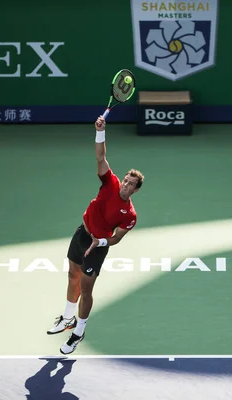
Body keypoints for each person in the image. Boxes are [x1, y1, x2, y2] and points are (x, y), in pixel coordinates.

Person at [47, 115, 144, 355]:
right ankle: (68, 318)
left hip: (97, 247)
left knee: (86, 289)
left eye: (131, 184)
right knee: (72, 275)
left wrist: (99, 242)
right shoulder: (109, 183)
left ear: (136, 190)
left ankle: (79, 331)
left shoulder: (130, 214)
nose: (126, 185)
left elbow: (117, 238)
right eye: (126, 180)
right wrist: (100, 131)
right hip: (82, 234)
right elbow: (101, 157)